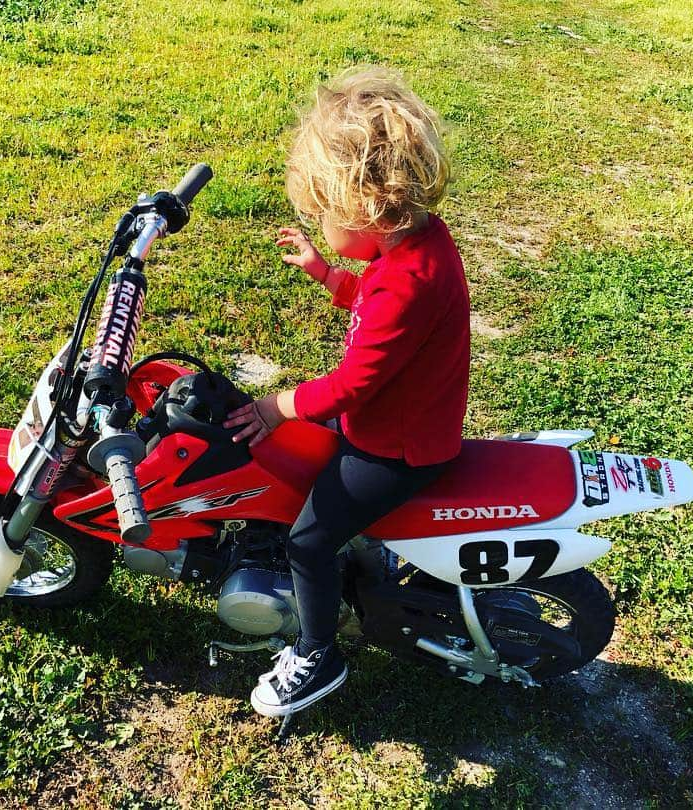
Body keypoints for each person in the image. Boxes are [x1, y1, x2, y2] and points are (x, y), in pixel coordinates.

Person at [223, 67, 471, 718]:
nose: (317, 223)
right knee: (300, 466)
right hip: (393, 421)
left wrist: (275, 405)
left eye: (321, 214)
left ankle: (316, 653)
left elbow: (352, 383)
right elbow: (376, 306)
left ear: (362, 209)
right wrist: (326, 271)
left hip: (396, 446)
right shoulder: (416, 251)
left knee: (306, 542)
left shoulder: (405, 282)